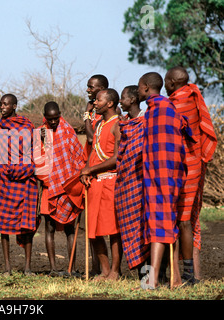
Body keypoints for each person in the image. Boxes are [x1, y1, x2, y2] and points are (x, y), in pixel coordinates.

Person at [138, 72, 193, 289]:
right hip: (158, 176)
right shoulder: (159, 110)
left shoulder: (162, 109)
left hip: (164, 176)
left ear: (145, 88)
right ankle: (176, 279)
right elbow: (185, 127)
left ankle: (152, 280)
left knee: (160, 225)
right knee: (164, 224)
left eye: (139, 86)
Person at [164, 66, 217, 283]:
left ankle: (184, 274)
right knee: (190, 219)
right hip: (196, 164)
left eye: (167, 81)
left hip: (183, 166)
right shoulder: (193, 95)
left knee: (181, 220)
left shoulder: (177, 103)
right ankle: (191, 274)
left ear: (172, 83)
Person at [0, 93, 39, 276]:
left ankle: (27, 267)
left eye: (6, 104)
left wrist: (24, 168)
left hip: (24, 180)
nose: (2, 107)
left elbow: (32, 150)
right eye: (1, 104)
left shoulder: (26, 126)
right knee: (3, 226)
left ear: (14, 106)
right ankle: (7, 268)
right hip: (4, 181)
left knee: (27, 226)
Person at [34, 101, 84, 276]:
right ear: (45, 117)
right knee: (49, 227)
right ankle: (53, 268)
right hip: (50, 186)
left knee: (70, 228)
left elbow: (78, 156)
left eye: (56, 118)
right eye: (50, 119)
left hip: (68, 185)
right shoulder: (40, 133)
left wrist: (77, 181)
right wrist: (41, 141)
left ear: (60, 114)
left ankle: (71, 266)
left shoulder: (68, 130)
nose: (54, 122)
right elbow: (37, 162)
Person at [80, 89, 123, 281]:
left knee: (113, 230)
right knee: (94, 229)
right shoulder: (99, 125)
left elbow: (116, 157)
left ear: (110, 103)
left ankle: (115, 270)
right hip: (95, 183)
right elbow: (93, 152)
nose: (95, 103)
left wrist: (91, 169)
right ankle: (104, 270)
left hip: (110, 181)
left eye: (99, 100)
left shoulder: (118, 124)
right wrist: (87, 170)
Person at [115, 86, 150, 275]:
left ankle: (153, 275)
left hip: (142, 182)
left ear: (133, 100)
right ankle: (142, 275)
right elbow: (122, 153)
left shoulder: (145, 122)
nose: (121, 102)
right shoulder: (125, 123)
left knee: (143, 227)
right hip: (126, 182)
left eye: (123, 98)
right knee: (131, 228)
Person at [82, 74, 109, 276]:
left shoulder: (105, 114)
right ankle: (96, 267)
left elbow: (92, 138)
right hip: (91, 170)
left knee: (106, 227)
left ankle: (109, 269)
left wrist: (87, 115)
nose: (88, 90)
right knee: (92, 225)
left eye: (92, 87)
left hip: (104, 172)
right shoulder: (96, 112)